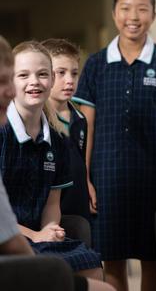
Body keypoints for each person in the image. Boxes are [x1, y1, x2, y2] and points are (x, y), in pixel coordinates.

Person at [72, 0, 156, 291]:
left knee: (153, 258)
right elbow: (86, 122)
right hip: (106, 176)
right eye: (126, 8)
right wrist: (85, 175)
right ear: (114, 14)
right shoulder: (97, 64)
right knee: (112, 259)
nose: (133, 16)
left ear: (153, 15)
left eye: (142, 9)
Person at [0, 36, 114, 291]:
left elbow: (53, 203)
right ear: (10, 82)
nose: (34, 82)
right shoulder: (3, 133)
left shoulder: (57, 140)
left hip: (37, 238)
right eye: (23, 75)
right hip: (10, 240)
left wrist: (50, 228)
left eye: (42, 74)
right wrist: (36, 236)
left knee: (92, 264)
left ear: (50, 80)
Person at [42, 38, 91, 222]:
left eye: (74, 73)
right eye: (61, 73)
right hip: (50, 211)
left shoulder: (80, 119)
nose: (69, 80)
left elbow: (80, 163)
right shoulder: (39, 120)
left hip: (78, 207)